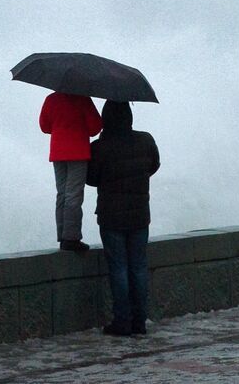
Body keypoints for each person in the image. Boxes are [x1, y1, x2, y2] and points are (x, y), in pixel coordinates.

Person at [87, 100, 160, 336]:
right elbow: (154, 165)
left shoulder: (100, 146)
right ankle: (140, 321)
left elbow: (91, 178)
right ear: (129, 116)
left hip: (111, 217)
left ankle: (122, 321)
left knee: (119, 268)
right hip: (139, 214)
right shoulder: (145, 140)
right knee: (138, 267)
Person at [39, 91, 103, 251]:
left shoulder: (51, 99)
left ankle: (62, 235)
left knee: (61, 194)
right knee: (73, 194)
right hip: (78, 152)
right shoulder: (83, 98)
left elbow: (44, 127)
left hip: (58, 152)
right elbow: (95, 127)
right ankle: (71, 238)